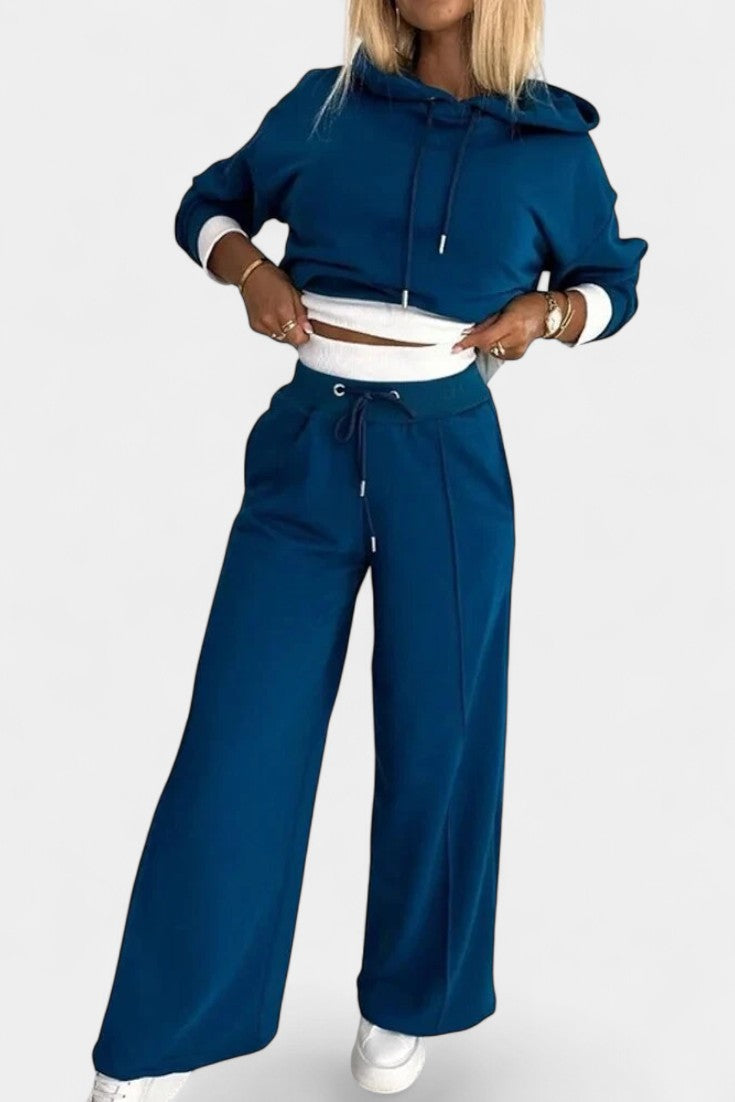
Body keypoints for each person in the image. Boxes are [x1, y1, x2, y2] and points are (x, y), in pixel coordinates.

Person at [86, 1, 647, 1098]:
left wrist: (550, 314)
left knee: (444, 727)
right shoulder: (324, 108)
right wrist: (249, 271)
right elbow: (207, 205)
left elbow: (614, 283)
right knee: (240, 730)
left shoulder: (553, 146)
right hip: (309, 440)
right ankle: (167, 1030)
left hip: (447, 453)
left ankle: (409, 996)